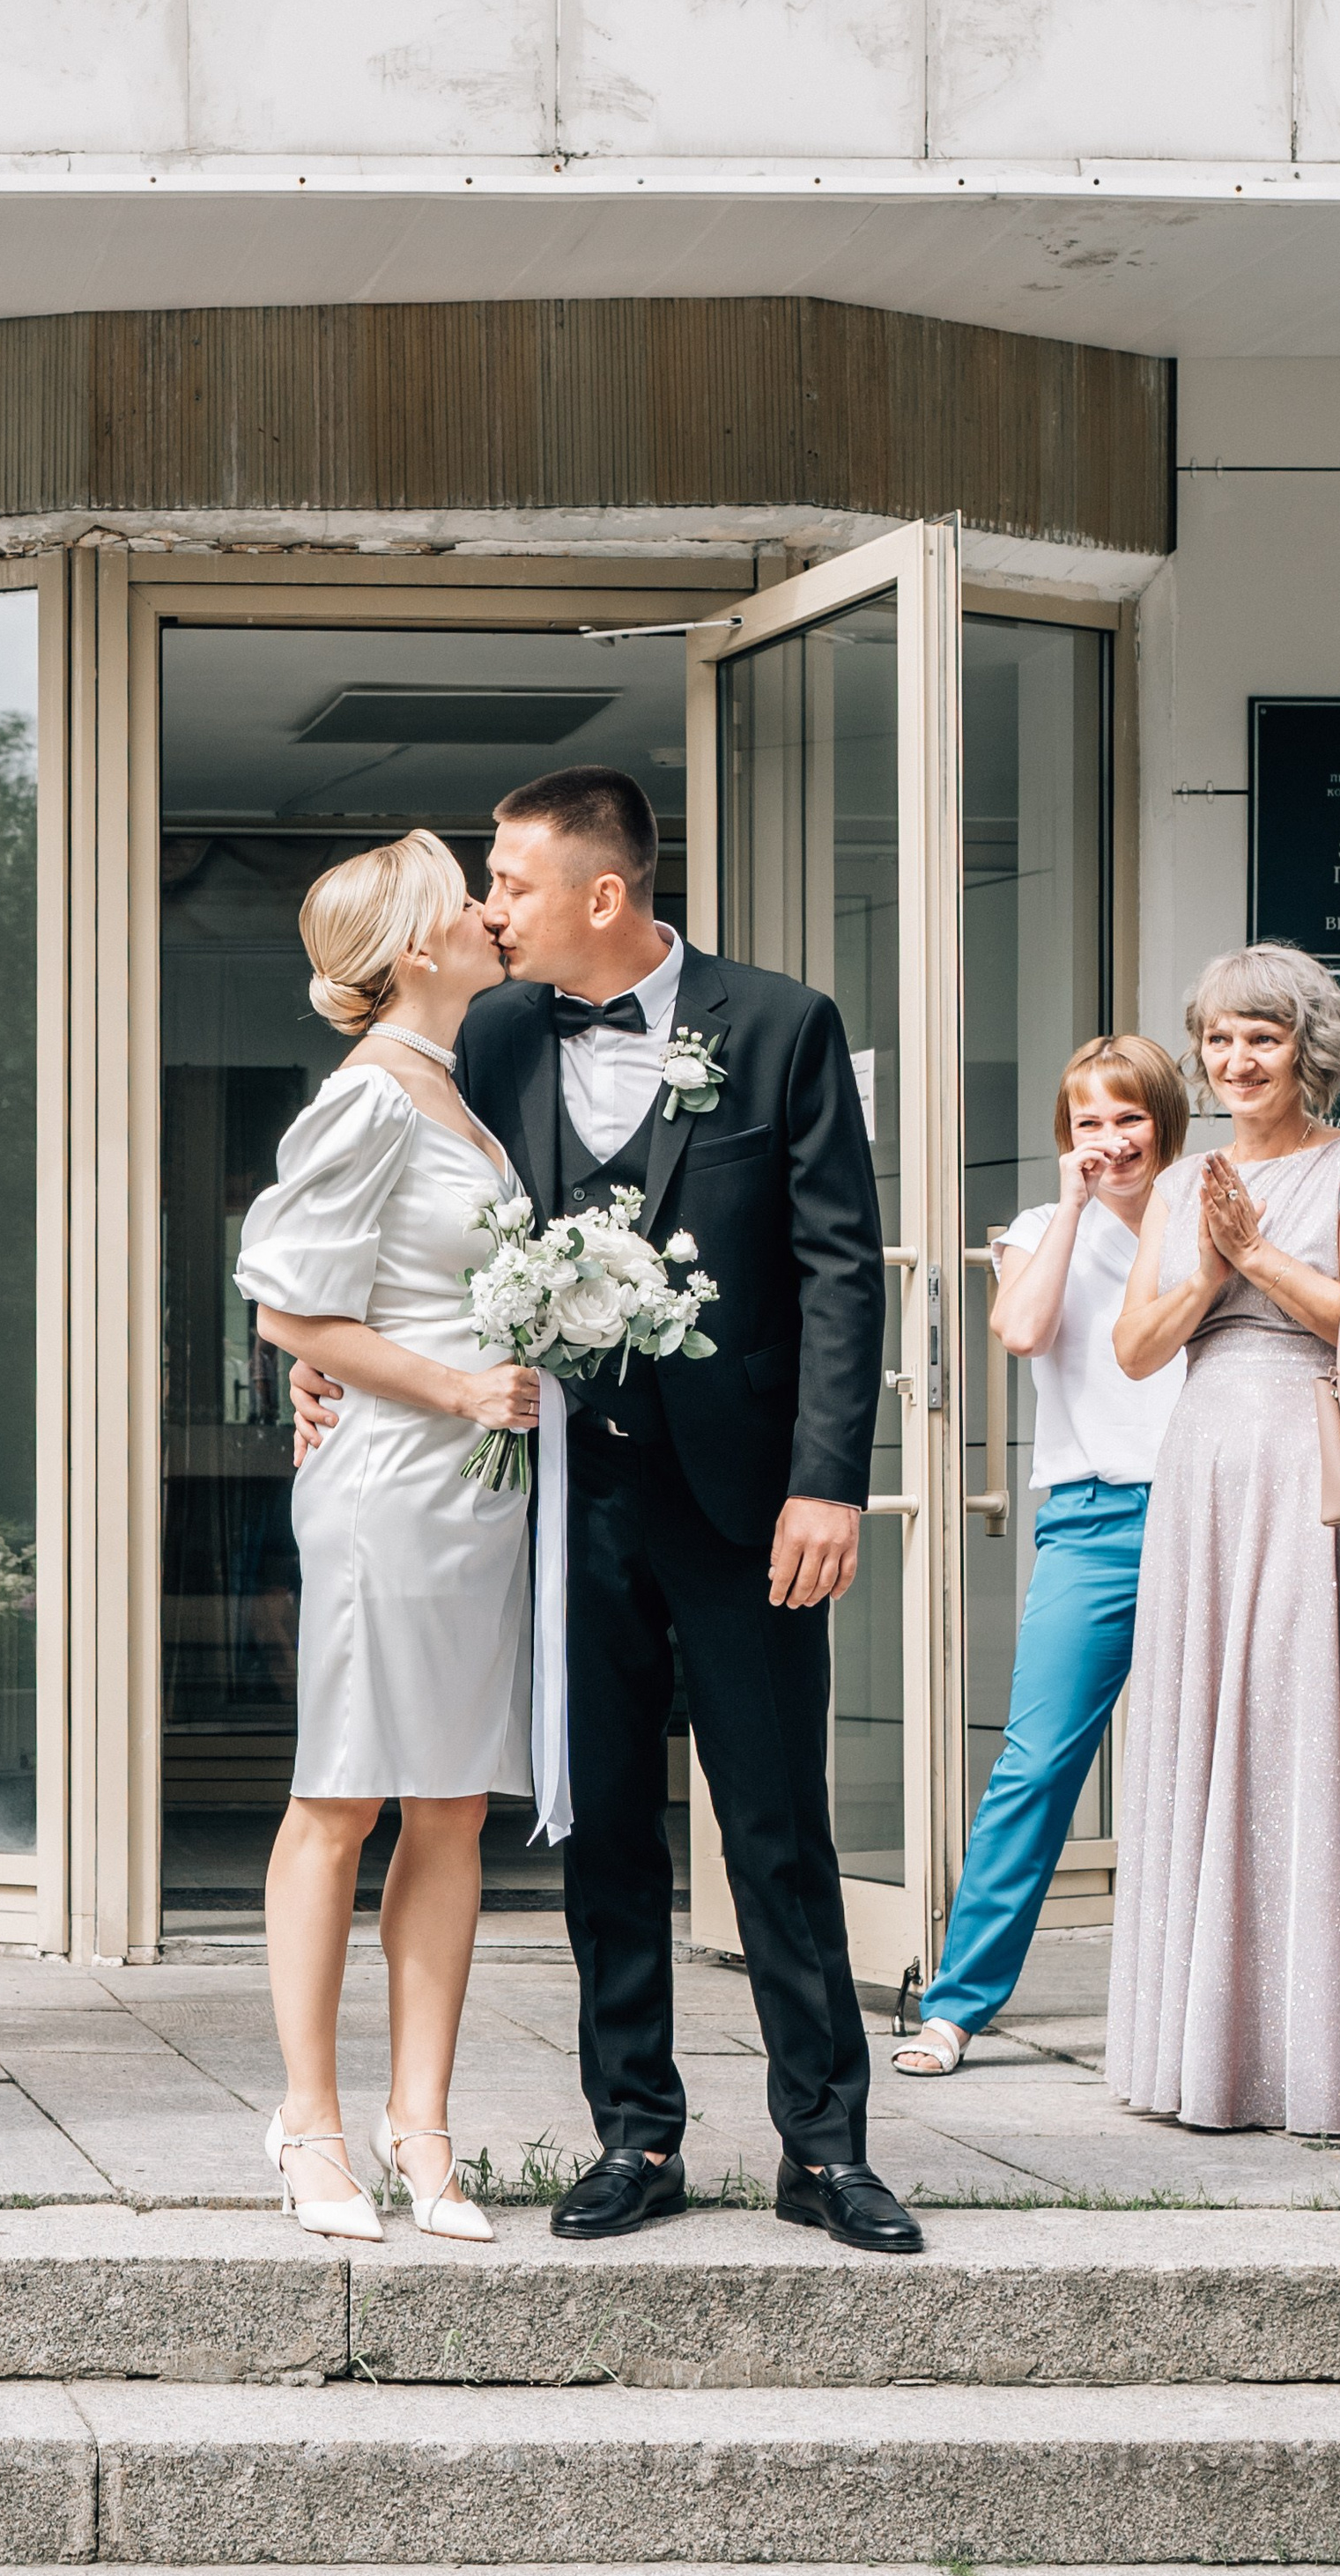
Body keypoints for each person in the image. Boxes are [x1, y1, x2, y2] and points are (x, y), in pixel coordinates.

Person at [307, 768, 903, 2252]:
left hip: (747, 1504)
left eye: (511, 883)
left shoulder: (782, 1026)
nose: (491, 909)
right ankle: (635, 2135)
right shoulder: (492, 1032)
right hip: (555, 1499)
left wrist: (828, 1480)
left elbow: (840, 1271)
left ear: (605, 893)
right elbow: (388, 1227)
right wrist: (325, 1361)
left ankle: (826, 2150)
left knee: (776, 1825)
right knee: (608, 1829)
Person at [236, 834, 535, 2245]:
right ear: (416, 947)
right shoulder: (365, 1098)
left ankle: (426, 2131)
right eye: (466, 899)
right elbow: (290, 1309)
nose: (489, 912)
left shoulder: (456, 1089)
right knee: (343, 1797)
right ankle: (310, 2124)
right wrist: (462, 1388)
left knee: (454, 1803)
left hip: (477, 1497)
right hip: (388, 1488)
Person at [1109, 944, 1340, 2141]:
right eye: (1219, 1038)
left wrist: (1256, 1257)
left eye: (1263, 1036)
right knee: (1204, 1729)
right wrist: (1208, 1267)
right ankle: (1204, 2056)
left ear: (1309, 1048)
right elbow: (1136, 1350)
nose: (1237, 1059)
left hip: (1309, 1463)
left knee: (1298, 1724)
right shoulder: (1182, 1181)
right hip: (1205, 1466)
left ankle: (1312, 2056)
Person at [892, 1035, 1189, 2079]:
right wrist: (1070, 1206)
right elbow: (1019, 1331)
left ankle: (1228, 2016)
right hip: (1093, 1521)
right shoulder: (1037, 1228)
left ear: (1164, 1120)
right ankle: (954, 2008)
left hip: (1211, 1515)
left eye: (1129, 1117)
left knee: (1221, 1764)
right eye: (1088, 1122)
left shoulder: (1207, 1214)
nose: (1110, 1140)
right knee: (1036, 1763)